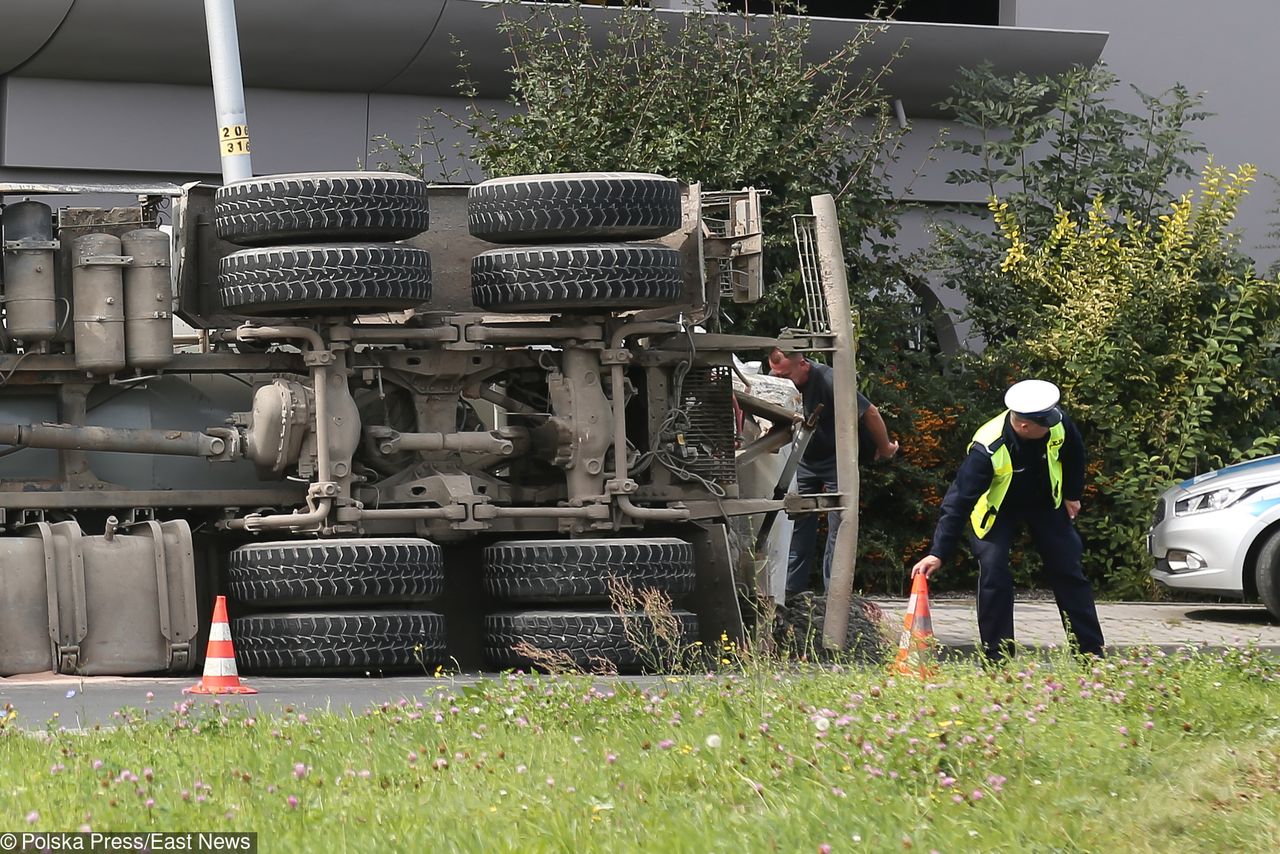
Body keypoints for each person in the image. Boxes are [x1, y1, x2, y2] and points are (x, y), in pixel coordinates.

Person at [910, 379, 1105, 661]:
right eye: (1045, 423)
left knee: (1068, 569)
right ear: (1024, 426)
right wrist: (938, 553)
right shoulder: (987, 448)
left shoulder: (1056, 421)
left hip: (1044, 503)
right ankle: (997, 657)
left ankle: (1090, 654)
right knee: (993, 571)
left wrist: (1072, 494)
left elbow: (1075, 452)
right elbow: (958, 501)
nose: (1053, 424)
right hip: (997, 511)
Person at [768, 348, 899, 598]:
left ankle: (834, 596)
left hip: (836, 460)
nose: (780, 381)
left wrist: (885, 447)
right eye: (776, 375)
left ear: (803, 364)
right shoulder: (779, 380)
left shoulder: (829, 380)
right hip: (804, 458)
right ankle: (791, 592)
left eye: (785, 375)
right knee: (797, 521)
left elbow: (870, 412)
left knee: (840, 525)